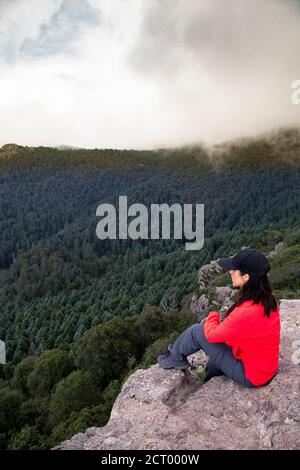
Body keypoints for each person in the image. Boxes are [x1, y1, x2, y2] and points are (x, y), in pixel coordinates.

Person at [157, 248, 281, 388]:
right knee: (215, 360)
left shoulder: (246, 312)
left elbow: (211, 335)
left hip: (252, 375)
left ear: (246, 276)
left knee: (196, 331)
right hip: (266, 368)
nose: (230, 272)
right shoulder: (269, 300)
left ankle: (174, 357)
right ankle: (210, 382)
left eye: (234, 269)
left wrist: (212, 315)